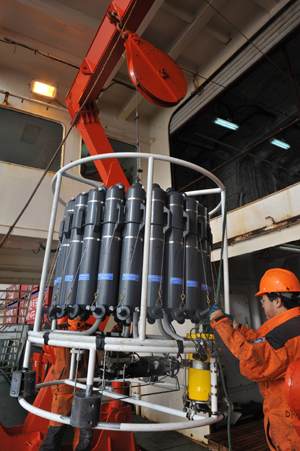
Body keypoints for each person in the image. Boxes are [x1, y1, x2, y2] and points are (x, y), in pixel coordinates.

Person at [208, 268, 300, 451]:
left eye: (264, 300)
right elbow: (263, 345)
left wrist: (218, 321)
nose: (263, 305)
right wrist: (236, 328)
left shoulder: (283, 335)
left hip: (290, 424)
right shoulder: (291, 326)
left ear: (278, 301)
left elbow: (251, 362)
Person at [40, 316, 94, 451]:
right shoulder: (59, 329)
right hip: (66, 388)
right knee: (56, 429)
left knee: (83, 433)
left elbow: (49, 353)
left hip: (83, 388)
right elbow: (47, 347)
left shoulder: (89, 329)